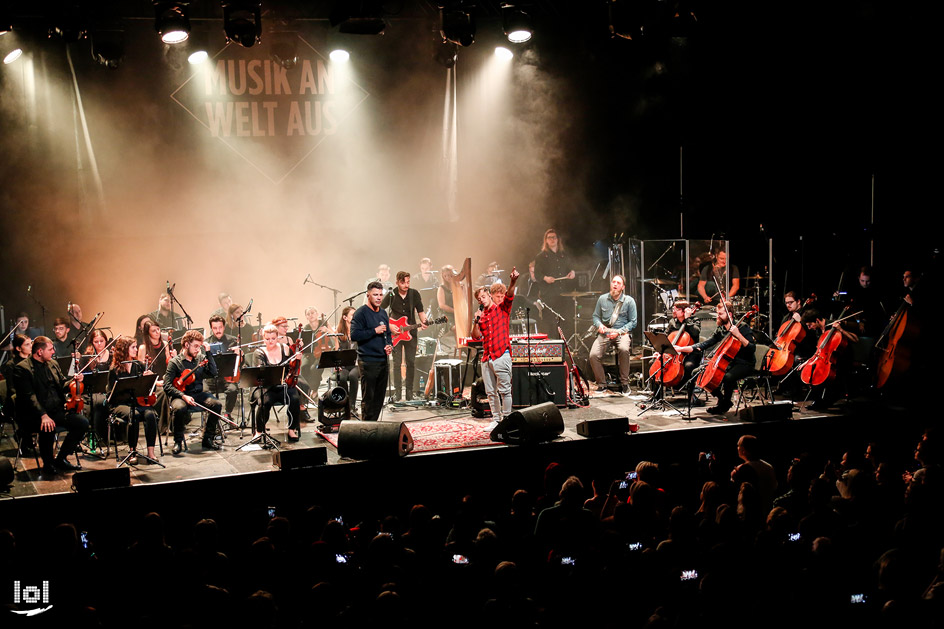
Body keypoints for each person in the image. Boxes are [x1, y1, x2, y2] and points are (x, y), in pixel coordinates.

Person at [12, 336, 89, 476]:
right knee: (48, 426)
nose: (53, 352)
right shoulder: (22, 369)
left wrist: (74, 380)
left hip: (56, 410)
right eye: (50, 349)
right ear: (40, 352)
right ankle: (48, 464)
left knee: (82, 422)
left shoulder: (52, 364)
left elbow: (62, 385)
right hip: (33, 415)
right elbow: (29, 397)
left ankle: (61, 459)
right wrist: (43, 415)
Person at [675, 300, 755, 415]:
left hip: (744, 363)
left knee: (727, 377)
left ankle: (725, 403)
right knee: (698, 373)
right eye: (718, 313)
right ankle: (722, 399)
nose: (718, 316)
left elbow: (752, 348)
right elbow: (704, 344)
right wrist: (681, 348)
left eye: (721, 314)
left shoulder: (742, 327)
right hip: (727, 362)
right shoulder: (721, 329)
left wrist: (738, 335)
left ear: (730, 314)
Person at [471, 268, 520, 432]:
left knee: (505, 390)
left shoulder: (503, 308)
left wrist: (513, 281)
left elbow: (510, 295)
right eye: (479, 299)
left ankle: (507, 420)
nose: (482, 300)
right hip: (487, 358)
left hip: (501, 355)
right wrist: (476, 321)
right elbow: (476, 336)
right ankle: (497, 420)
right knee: (491, 392)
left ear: (489, 295)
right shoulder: (482, 316)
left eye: (483, 296)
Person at [163, 329, 223, 454]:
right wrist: (183, 396)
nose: (197, 349)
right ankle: (178, 441)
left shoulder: (200, 359)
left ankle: (208, 438)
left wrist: (208, 353)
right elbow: (167, 386)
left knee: (216, 404)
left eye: (199, 347)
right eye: (195, 346)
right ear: (186, 345)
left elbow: (213, 373)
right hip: (180, 395)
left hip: (198, 394)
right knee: (179, 408)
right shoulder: (175, 362)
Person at [109, 336, 160, 465]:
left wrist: (149, 381)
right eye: (133, 347)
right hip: (121, 404)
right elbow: (112, 394)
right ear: (125, 349)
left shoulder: (139, 365)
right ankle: (133, 451)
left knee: (150, 414)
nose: (136, 349)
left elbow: (148, 391)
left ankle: (151, 452)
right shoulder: (114, 370)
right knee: (134, 414)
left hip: (138, 402)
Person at [382, 271, 429, 402]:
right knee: (396, 364)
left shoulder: (414, 294)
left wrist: (424, 321)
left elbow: (420, 311)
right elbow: (380, 311)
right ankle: (397, 393)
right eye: (403, 283)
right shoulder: (391, 295)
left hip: (410, 333)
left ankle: (409, 392)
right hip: (395, 333)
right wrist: (390, 325)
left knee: (411, 362)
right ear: (397, 282)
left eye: (408, 282)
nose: (406, 285)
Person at [251, 323, 302, 442]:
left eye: (273, 338)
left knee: (294, 398)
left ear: (277, 337)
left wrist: (297, 359)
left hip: (283, 385)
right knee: (265, 402)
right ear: (263, 339)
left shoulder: (285, 348)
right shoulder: (259, 352)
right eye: (267, 339)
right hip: (266, 387)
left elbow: (293, 368)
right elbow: (260, 374)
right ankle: (259, 431)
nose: (270, 341)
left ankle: (292, 429)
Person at [800, 308, 858, 411]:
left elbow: (855, 339)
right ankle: (818, 400)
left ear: (817, 320)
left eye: (810, 325)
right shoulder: (818, 330)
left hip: (843, 359)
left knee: (829, 375)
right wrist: (807, 361)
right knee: (811, 370)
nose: (809, 328)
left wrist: (841, 330)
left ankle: (826, 400)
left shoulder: (834, 325)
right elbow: (819, 351)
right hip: (827, 359)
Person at [350, 282, 393, 421]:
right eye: (375, 295)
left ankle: (374, 426)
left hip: (383, 360)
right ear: (368, 295)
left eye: (381, 295)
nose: (379, 298)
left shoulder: (383, 313)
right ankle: (367, 428)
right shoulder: (360, 313)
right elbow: (354, 335)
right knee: (369, 397)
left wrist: (389, 345)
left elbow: (388, 335)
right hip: (368, 361)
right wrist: (374, 331)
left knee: (380, 398)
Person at [588, 275, 637, 394]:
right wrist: (599, 325)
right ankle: (602, 383)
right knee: (593, 355)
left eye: (618, 283)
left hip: (622, 332)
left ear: (623, 287)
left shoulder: (629, 301)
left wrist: (619, 332)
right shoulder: (602, 299)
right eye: (613, 282)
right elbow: (595, 316)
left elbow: (633, 322)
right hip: (606, 332)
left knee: (624, 349)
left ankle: (625, 383)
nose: (615, 284)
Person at [533, 229, 576, 335]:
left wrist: (573, 273)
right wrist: (545, 278)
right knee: (551, 323)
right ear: (546, 240)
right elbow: (537, 275)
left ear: (557, 240)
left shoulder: (564, 255)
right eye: (549, 237)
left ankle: (565, 346)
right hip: (549, 295)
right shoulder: (541, 256)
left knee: (566, 320)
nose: (552, 239)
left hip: (564, 294)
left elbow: (571, 269)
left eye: (554, 237)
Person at [204, 315, 241, 418]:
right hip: (211, 378)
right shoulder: (206, 343)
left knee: (233, 389)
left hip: (227, 377)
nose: (218, 330)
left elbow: (241, 363)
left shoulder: (232, 341)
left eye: (220, 327)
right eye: (215, 328)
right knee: (203, 391)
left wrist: (239, 355)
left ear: (224, 327)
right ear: (211, 328)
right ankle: (211, 417)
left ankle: (227, 414)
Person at [335, 306, 360, 410]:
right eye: (352, 315)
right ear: (345, 317)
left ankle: (352, 404)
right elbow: (337, 350)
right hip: (344, 364)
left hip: (357, 364)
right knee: (342, 377)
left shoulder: (358, 330)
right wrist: (338, 364)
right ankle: (345, 401)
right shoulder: (339, 332)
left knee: (353, 376)